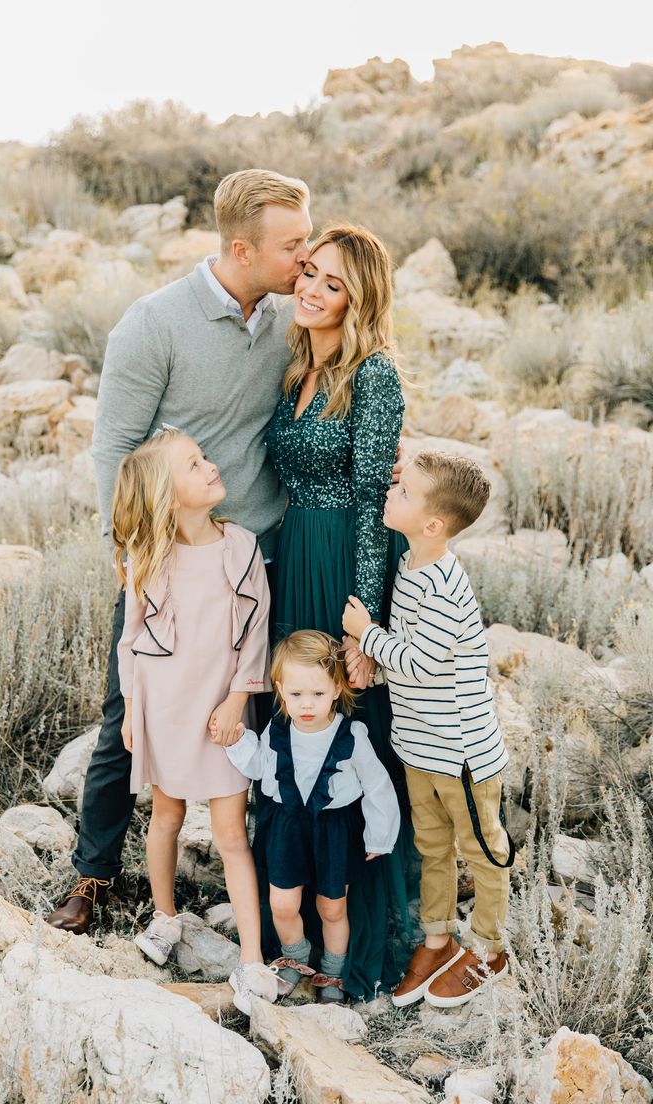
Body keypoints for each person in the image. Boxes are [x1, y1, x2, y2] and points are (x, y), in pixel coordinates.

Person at [45, 169, 312, 935]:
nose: (304, 256)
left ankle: (266, 880)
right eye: (292, 246)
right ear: (242, 248)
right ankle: (93, 875)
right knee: (128, 714)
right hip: (166, 561)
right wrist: (127, 556)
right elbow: (115, 450)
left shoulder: (290, 318)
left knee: (259, 710)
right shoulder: (153, 323)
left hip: (258, 551)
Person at [265, 224, 420, 1000]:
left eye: (333, 284)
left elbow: (370, 503)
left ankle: (361, 948)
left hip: (347, 568)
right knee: (295, 730)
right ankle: (286, 926)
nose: (313, 289)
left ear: (359, 300)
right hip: (295, 554)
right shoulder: (296, 362)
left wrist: (364, 628)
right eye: (310, 273)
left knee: (356, 745)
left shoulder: (375, 374)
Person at [112, 427, 282, 1012]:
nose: (211, 467)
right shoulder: (149, 559)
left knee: (232, 833)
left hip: (222, 709)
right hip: (165, 705)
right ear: (167, 494)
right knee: (166, 816)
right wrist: (133, 710)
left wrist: (239, 701)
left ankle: (254, 960)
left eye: (204, 457)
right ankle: (165, 918)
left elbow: (255, 633)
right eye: (193, 465)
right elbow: (130, 643)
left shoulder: (240, 546)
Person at [342, 450, 514, 1009]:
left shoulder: (445, 585)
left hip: (461, 752)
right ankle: (438, 939)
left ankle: (488, 949)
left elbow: (420, 662)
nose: (392, 492)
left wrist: (366, 635)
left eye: (405, 492)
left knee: (482, 848)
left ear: (433, 524)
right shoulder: (409, 568)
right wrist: (373, 658)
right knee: (432, 846)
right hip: (419, 745)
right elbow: (404, 664)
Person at [225, 630, 400, 1007]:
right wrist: (236, 741)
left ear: (337, 689)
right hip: (286, 828)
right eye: (297, 694)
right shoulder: (278, 729)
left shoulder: (351, 734)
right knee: (283, 904)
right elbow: (259, 766)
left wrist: (379, 837)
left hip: (334, 830)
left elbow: (378, 786)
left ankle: (333, 971)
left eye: (318, 694)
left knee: (332, 908)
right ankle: (296, 955)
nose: (307, 704)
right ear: (280, 689)